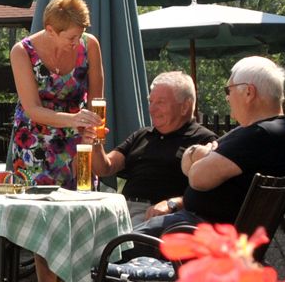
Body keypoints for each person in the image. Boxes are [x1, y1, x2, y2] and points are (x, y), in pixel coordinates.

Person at [105, 56, 285, 282]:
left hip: (205, 239)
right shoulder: (274, 133)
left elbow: (198, 178)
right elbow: (196, 169)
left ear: (248, 92)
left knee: (114, 253)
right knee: (127, 245)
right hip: (216, 235)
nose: (227, 96)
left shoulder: (258, 136)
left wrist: (201, 157)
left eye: (229, 89)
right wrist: (202, 157)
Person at [8, 0, 105, 282]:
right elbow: (33, 109)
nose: (75, 42)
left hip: (77, 141)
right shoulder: (22, 52)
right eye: (70, 37)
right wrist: (76, 119)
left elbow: (97, 98)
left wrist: (94, 129)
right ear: (49, 29)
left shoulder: (89, 45)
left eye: (78, 35)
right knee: (44, 222)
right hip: (34, 141)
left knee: (81, 213)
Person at [91, 71, 218, 218]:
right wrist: (95, 141)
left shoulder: (203, 140)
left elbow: (210, 194)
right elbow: (104, 168)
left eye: (160, 102)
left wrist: (173, 203)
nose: (152, 109)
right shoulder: (142, 135)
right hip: (121, 209)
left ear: (185, 107)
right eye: (151, 102)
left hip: (162, 217)